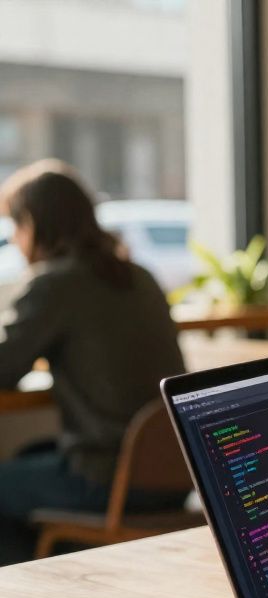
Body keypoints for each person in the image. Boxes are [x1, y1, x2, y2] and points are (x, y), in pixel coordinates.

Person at [0, 160, 187, 565]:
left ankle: (29, 591)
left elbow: (4, 369)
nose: (14, 239)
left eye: (16, 225)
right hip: (175, 475)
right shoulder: (140, 276)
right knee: (28, 456)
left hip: (110, 479)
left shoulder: (54, 284)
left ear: (33, 224)